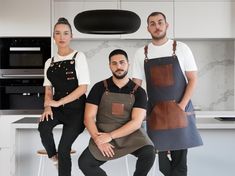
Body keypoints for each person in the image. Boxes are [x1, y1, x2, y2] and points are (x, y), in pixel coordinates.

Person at [132, 12, 203, 176]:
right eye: (152, 23)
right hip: (157, 114)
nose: (157, 26)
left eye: (160, 22)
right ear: (148, 28)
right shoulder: (141, 53)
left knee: (179, 163)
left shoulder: (181, 48)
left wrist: (181, 106)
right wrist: (135, 110)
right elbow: (136, 86)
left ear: (166, 25)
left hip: (180, 110)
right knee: (163, 166)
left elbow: (193, 79)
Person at [78, 49, 155, 176]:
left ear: (128, 64)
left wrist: (111, 136)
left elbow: (136, 123)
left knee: (149, 152)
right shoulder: (98, 88)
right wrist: (99, 140)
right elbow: (88, 118)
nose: (118, 66)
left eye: (122, 62)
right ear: (109, 66)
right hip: (103, 134)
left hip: (130, 134)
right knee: (85, 163)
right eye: (114, 63)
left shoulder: (139, 92)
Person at [38, 17, 90, 176]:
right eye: (58, 33)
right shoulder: (50, 62)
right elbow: (48, 90)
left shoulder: (78, 57)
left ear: (71, 36)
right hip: (56, 108)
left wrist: (58, 102)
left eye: (66, 33)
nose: (62, 37)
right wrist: (48, 106)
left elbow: (83, 88)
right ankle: (54, 159)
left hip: (77, 110)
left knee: (64, 147)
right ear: (54, 37)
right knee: (43, 127)